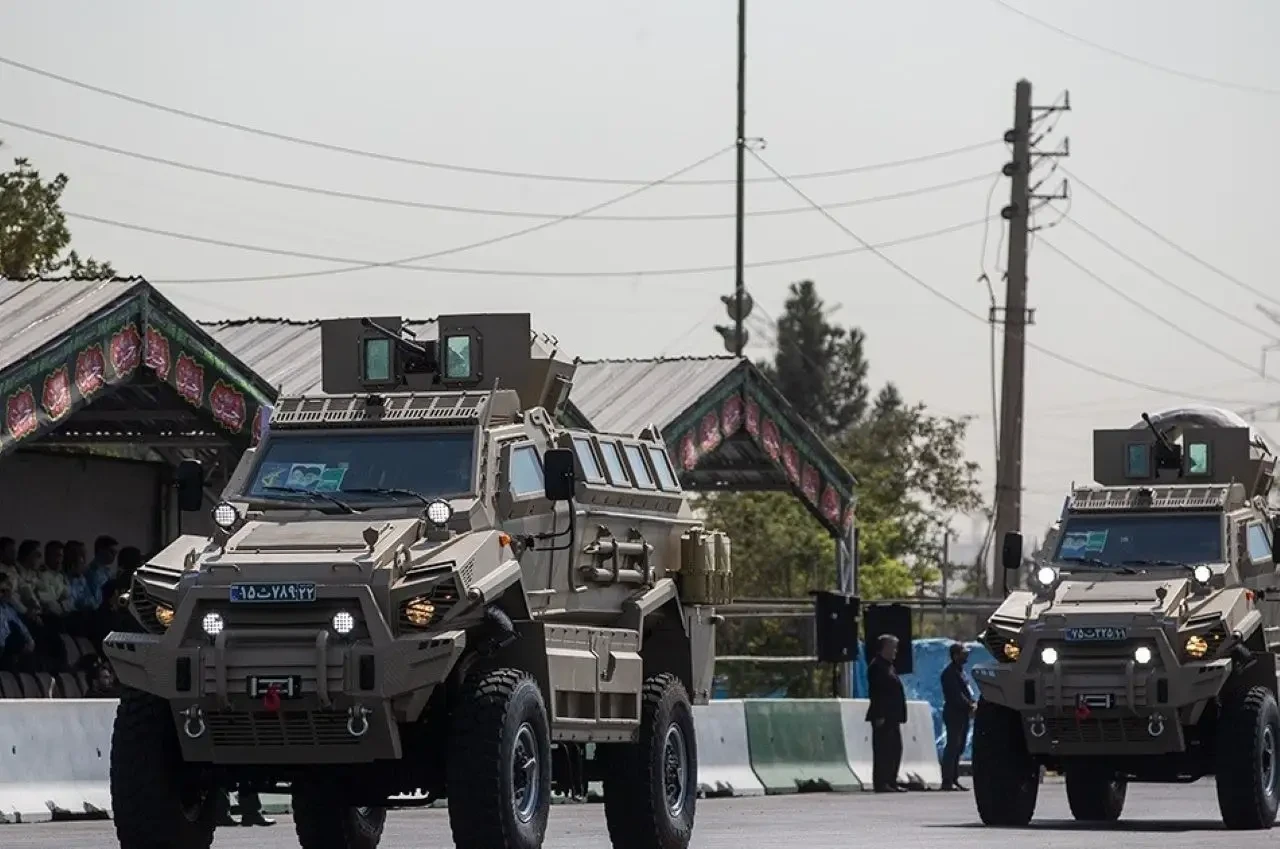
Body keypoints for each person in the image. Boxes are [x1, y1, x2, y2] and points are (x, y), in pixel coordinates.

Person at [865, 633, 908, 793]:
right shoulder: (877, 666)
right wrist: (879, 715)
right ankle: (881, 782)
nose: (895, 651)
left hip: (893, 715)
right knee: (883, 750)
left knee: (895, 749)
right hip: (883, 715)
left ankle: (891, 780)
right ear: (885, 648)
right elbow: (877, 693)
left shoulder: (889, 666)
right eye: (893, 647)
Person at [940, 642, 976, 791]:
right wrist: (969, 706)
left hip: (962, 714)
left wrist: (972, 703)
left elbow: (967, 691)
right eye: (963, 653)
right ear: (955, 656)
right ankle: (947, 780)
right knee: (952, 746)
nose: (966, 656)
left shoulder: (961, 672)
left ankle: (954, 778)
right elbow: (956, 695)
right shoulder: (949, 673)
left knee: (959, 746)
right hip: (954, 713)